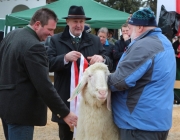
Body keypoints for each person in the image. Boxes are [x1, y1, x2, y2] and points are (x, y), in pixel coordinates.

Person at [0, 8, 77, 140]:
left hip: (6, 108)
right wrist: (65, 113)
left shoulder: (13, 34)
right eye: (50, 29)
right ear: (37, 25)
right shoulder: (34, 46)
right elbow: (44, 85)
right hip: (21, 113)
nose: (52, 34)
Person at [108, 8, 176, 140]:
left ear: (139, 27)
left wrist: (102, 78)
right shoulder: (165, 42)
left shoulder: (144, 45)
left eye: (130, 27)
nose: (128, 32)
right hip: (158, 122)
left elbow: (120, 81)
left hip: (138, 125)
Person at [46, 5, 112, 140]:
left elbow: (109, 61)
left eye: (81, 22)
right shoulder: (55, 40)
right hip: (66, 98)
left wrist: (102, 58)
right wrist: (64, 58)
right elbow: (48, 63)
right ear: (67, 22)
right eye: (75, 21)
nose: (79, 25)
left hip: (89, 105)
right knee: (65, 136)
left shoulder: (94, 40)